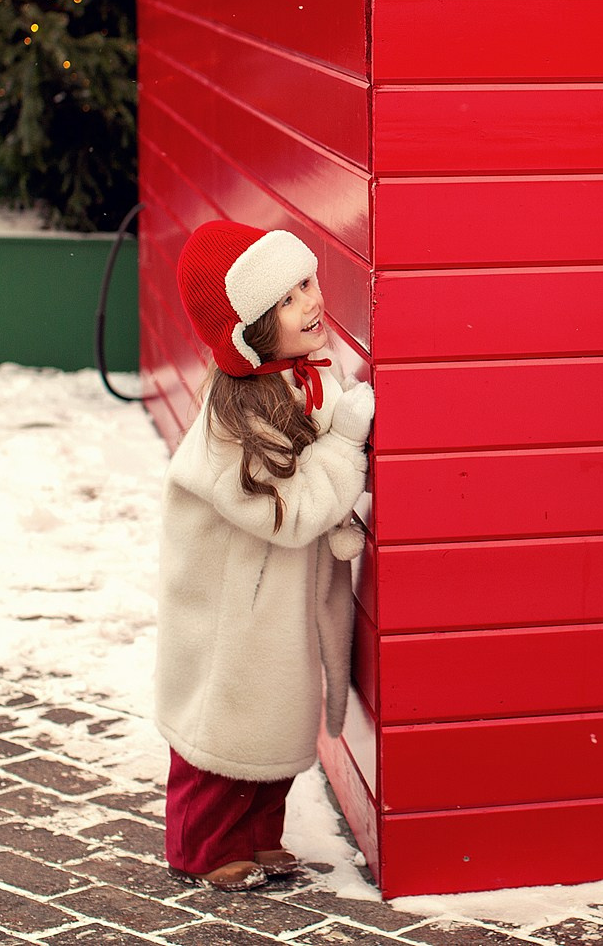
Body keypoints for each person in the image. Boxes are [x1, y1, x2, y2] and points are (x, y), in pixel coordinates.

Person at [156, 219, 373, 891]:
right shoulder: (234, 423)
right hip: (230, 611)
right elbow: (295, 509)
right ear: (249, 330)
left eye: (307, 281)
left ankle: (257, 836)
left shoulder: (296, 381)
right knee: (224, 734)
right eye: (288, 297)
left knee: (275, 725)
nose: (312, 301)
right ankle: (202, 846)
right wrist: (344, 446)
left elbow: (324, 433)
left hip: (273, 605)